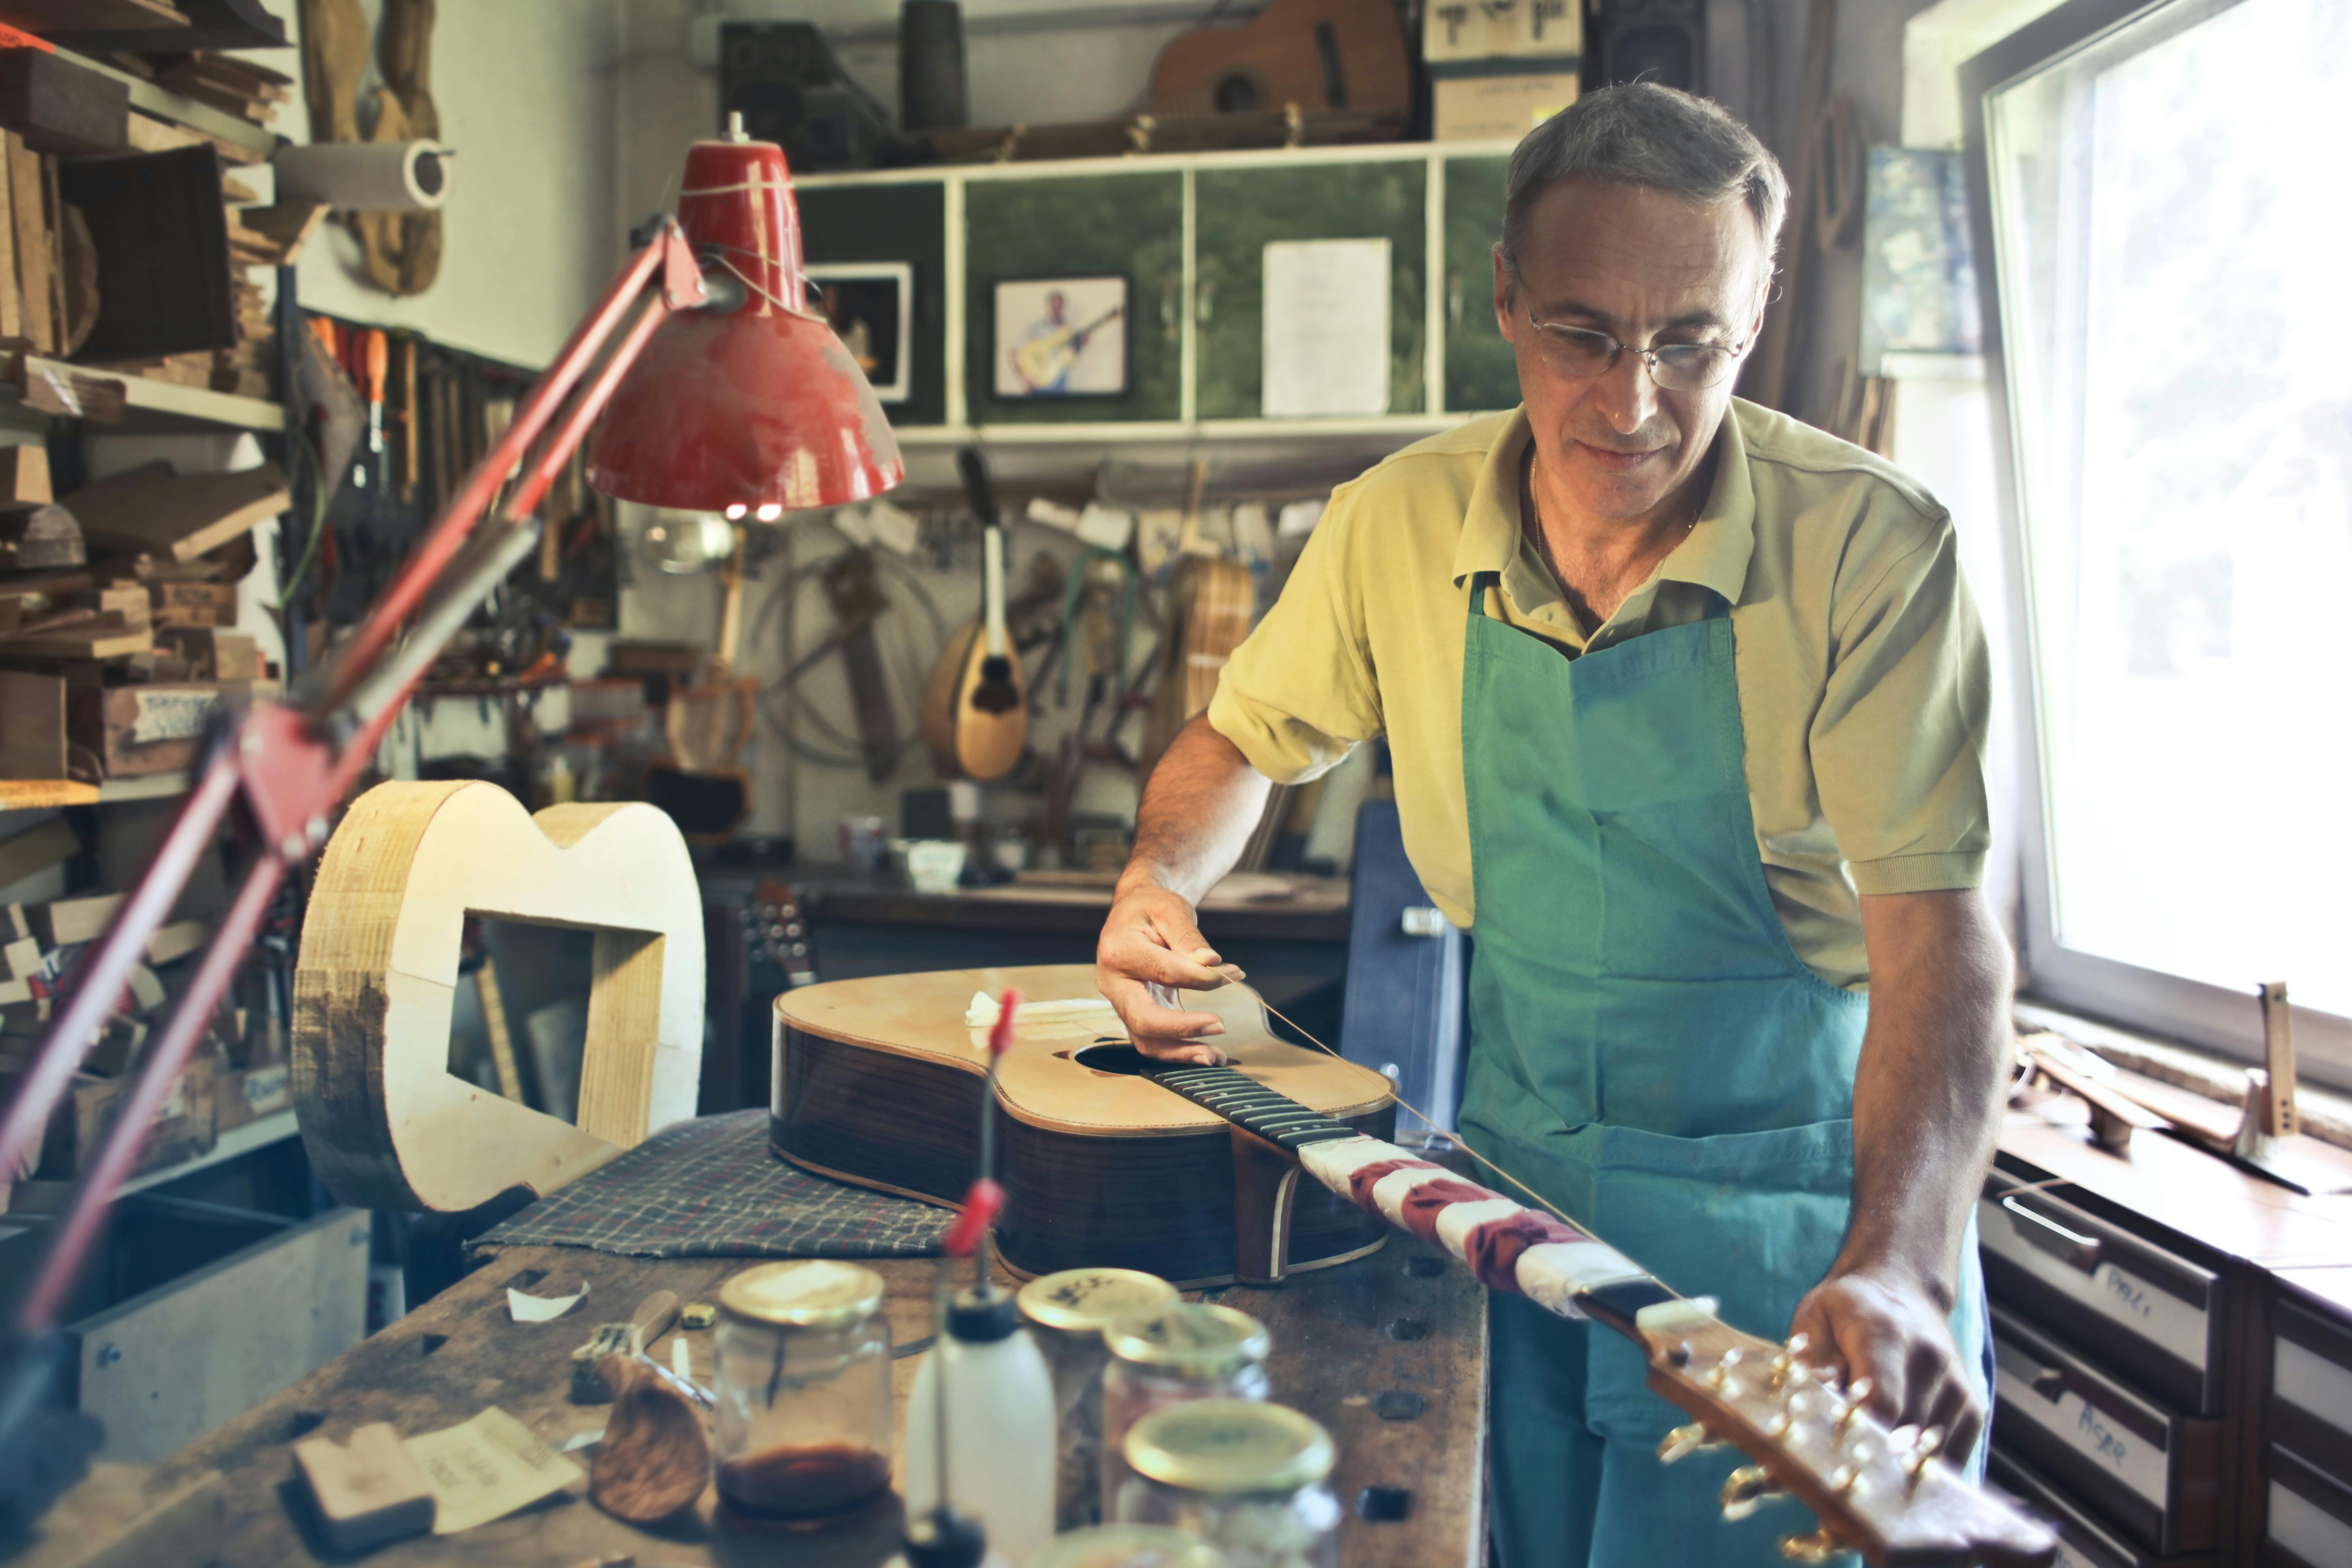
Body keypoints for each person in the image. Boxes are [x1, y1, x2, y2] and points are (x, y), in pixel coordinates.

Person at [1093, 83, 2006, 1568]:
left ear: (1759, 311)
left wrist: (1897, 1264)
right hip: (1511, 1229)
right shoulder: (1396, 519)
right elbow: (1240, 740)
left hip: (1792, 1258)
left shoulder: (1872, 551)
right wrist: (1157, 877)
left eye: (1690, 341)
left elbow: (1941, 940)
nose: (1635, 400)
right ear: (1505, 299)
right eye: (1584, 333)